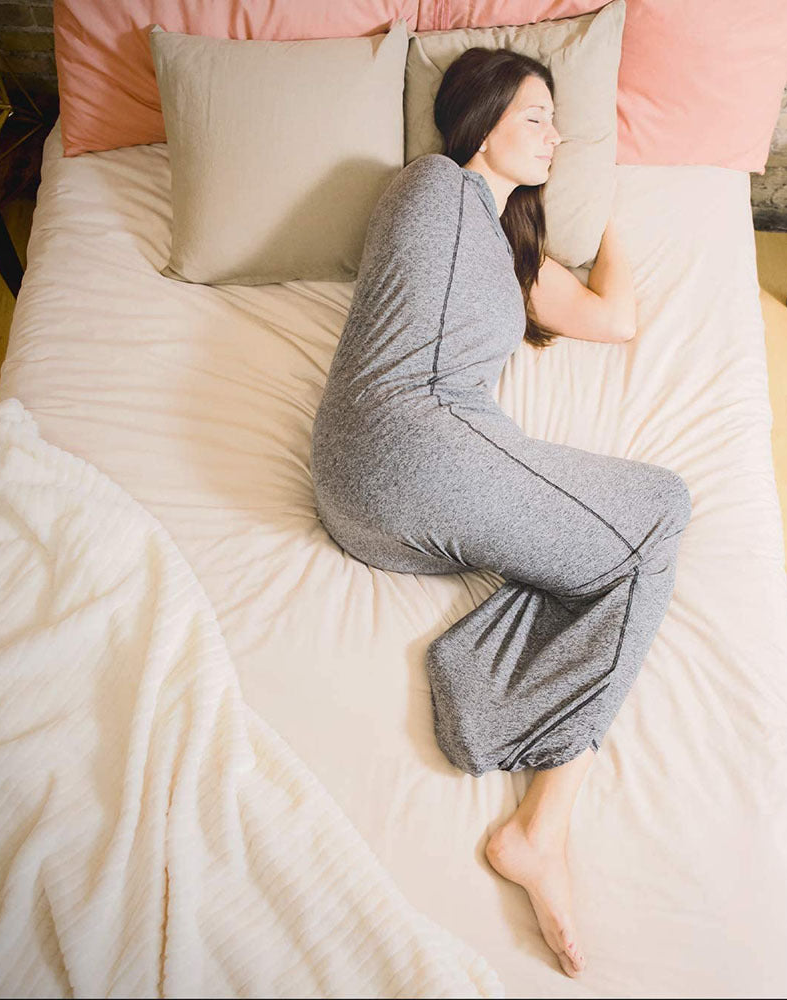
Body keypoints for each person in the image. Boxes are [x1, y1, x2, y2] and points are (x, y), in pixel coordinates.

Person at [310, 47, 692, 979]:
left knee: (608, 557)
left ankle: (528, 795)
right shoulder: (433, 185)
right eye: (536, 116)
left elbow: (616, 320)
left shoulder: (510, 253)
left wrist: (608, 221)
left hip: (372, 501)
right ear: (480, 120)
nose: (556, 136)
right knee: (659, 514)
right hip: (412, 436)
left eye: (560, 122)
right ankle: (533, 811)